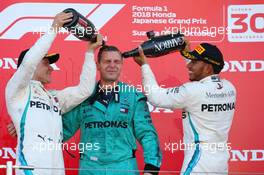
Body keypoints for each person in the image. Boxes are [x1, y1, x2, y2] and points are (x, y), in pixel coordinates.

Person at [5, 12, 102, 175]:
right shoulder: (17, 91)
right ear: (34, 65)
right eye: (45, 63)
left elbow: (85, 90)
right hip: (30, 170)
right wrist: (54, 29)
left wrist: (90, 52)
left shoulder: (53, 97)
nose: (51, 68)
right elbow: (28, 63)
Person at [133, 42, 236, 175]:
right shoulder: (230, 88)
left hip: (199, 163)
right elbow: (204, 79)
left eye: (194, 62)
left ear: (208, 68)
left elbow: (155, 96)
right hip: (220, 162)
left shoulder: (193, 91)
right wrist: (188, 54)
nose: (189, 65)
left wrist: (144, 65)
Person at [62, 45, 162, 175]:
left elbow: (147, 134)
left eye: (116, 62)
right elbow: (62, 130)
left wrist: (152, 167)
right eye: (107, 61)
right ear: (97, 65)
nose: (112, 65)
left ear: (121, 65)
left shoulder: (133, 96)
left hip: (124, 167)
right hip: (90, 168)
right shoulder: (84, 96)